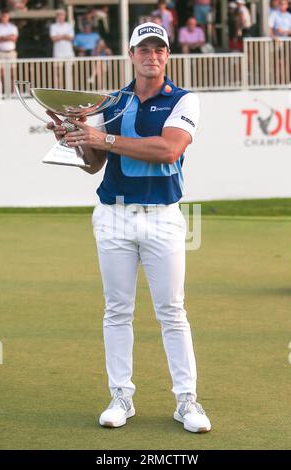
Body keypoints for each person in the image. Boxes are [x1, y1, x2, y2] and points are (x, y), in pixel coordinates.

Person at [47, 21, 211, 434]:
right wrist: (76, 136)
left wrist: (102, 140)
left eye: (159, 50)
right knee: (117, 310)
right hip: (114, 215)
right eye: (144, 49)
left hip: (163, 216)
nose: (151, 56)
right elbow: (93, 164)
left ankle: (186, 400)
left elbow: (169, 148)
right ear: (132, 55)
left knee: (172, 312)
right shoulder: (113, 101)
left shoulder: (183, 100)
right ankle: (122, 395)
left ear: (167, 55)